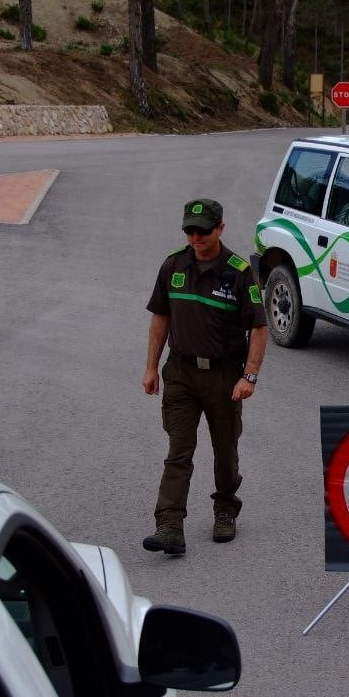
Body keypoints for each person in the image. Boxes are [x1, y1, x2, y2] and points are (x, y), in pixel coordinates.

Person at [142, 199, 268, 557]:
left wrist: (250, 376)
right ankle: (169, 526)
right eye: (190, 230)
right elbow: (160, 317)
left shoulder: (239, 271)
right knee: (178, 451)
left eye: (203, 230)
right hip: (180, 373)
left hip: (224, 377)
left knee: (224, 449)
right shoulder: (173, 266)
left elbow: (259, 328)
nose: (195, 237)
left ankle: (225, 508)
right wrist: (152, 367)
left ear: (221, 229)